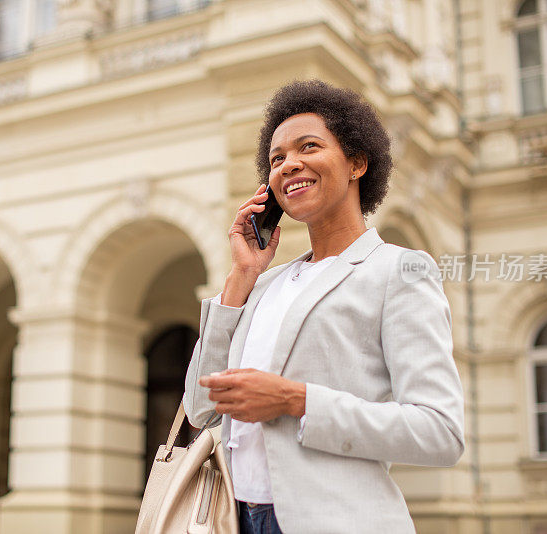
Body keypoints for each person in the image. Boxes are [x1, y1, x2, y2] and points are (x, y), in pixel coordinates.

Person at [182, 79, 465, 534]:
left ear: (356, 162)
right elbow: (201, 409)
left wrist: (296, 400)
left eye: (308, 147)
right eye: (276, 158)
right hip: (236, 519)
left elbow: (440, 432)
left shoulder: (401, 271)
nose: (289, 164)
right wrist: (242, 275)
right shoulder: (264, 284)